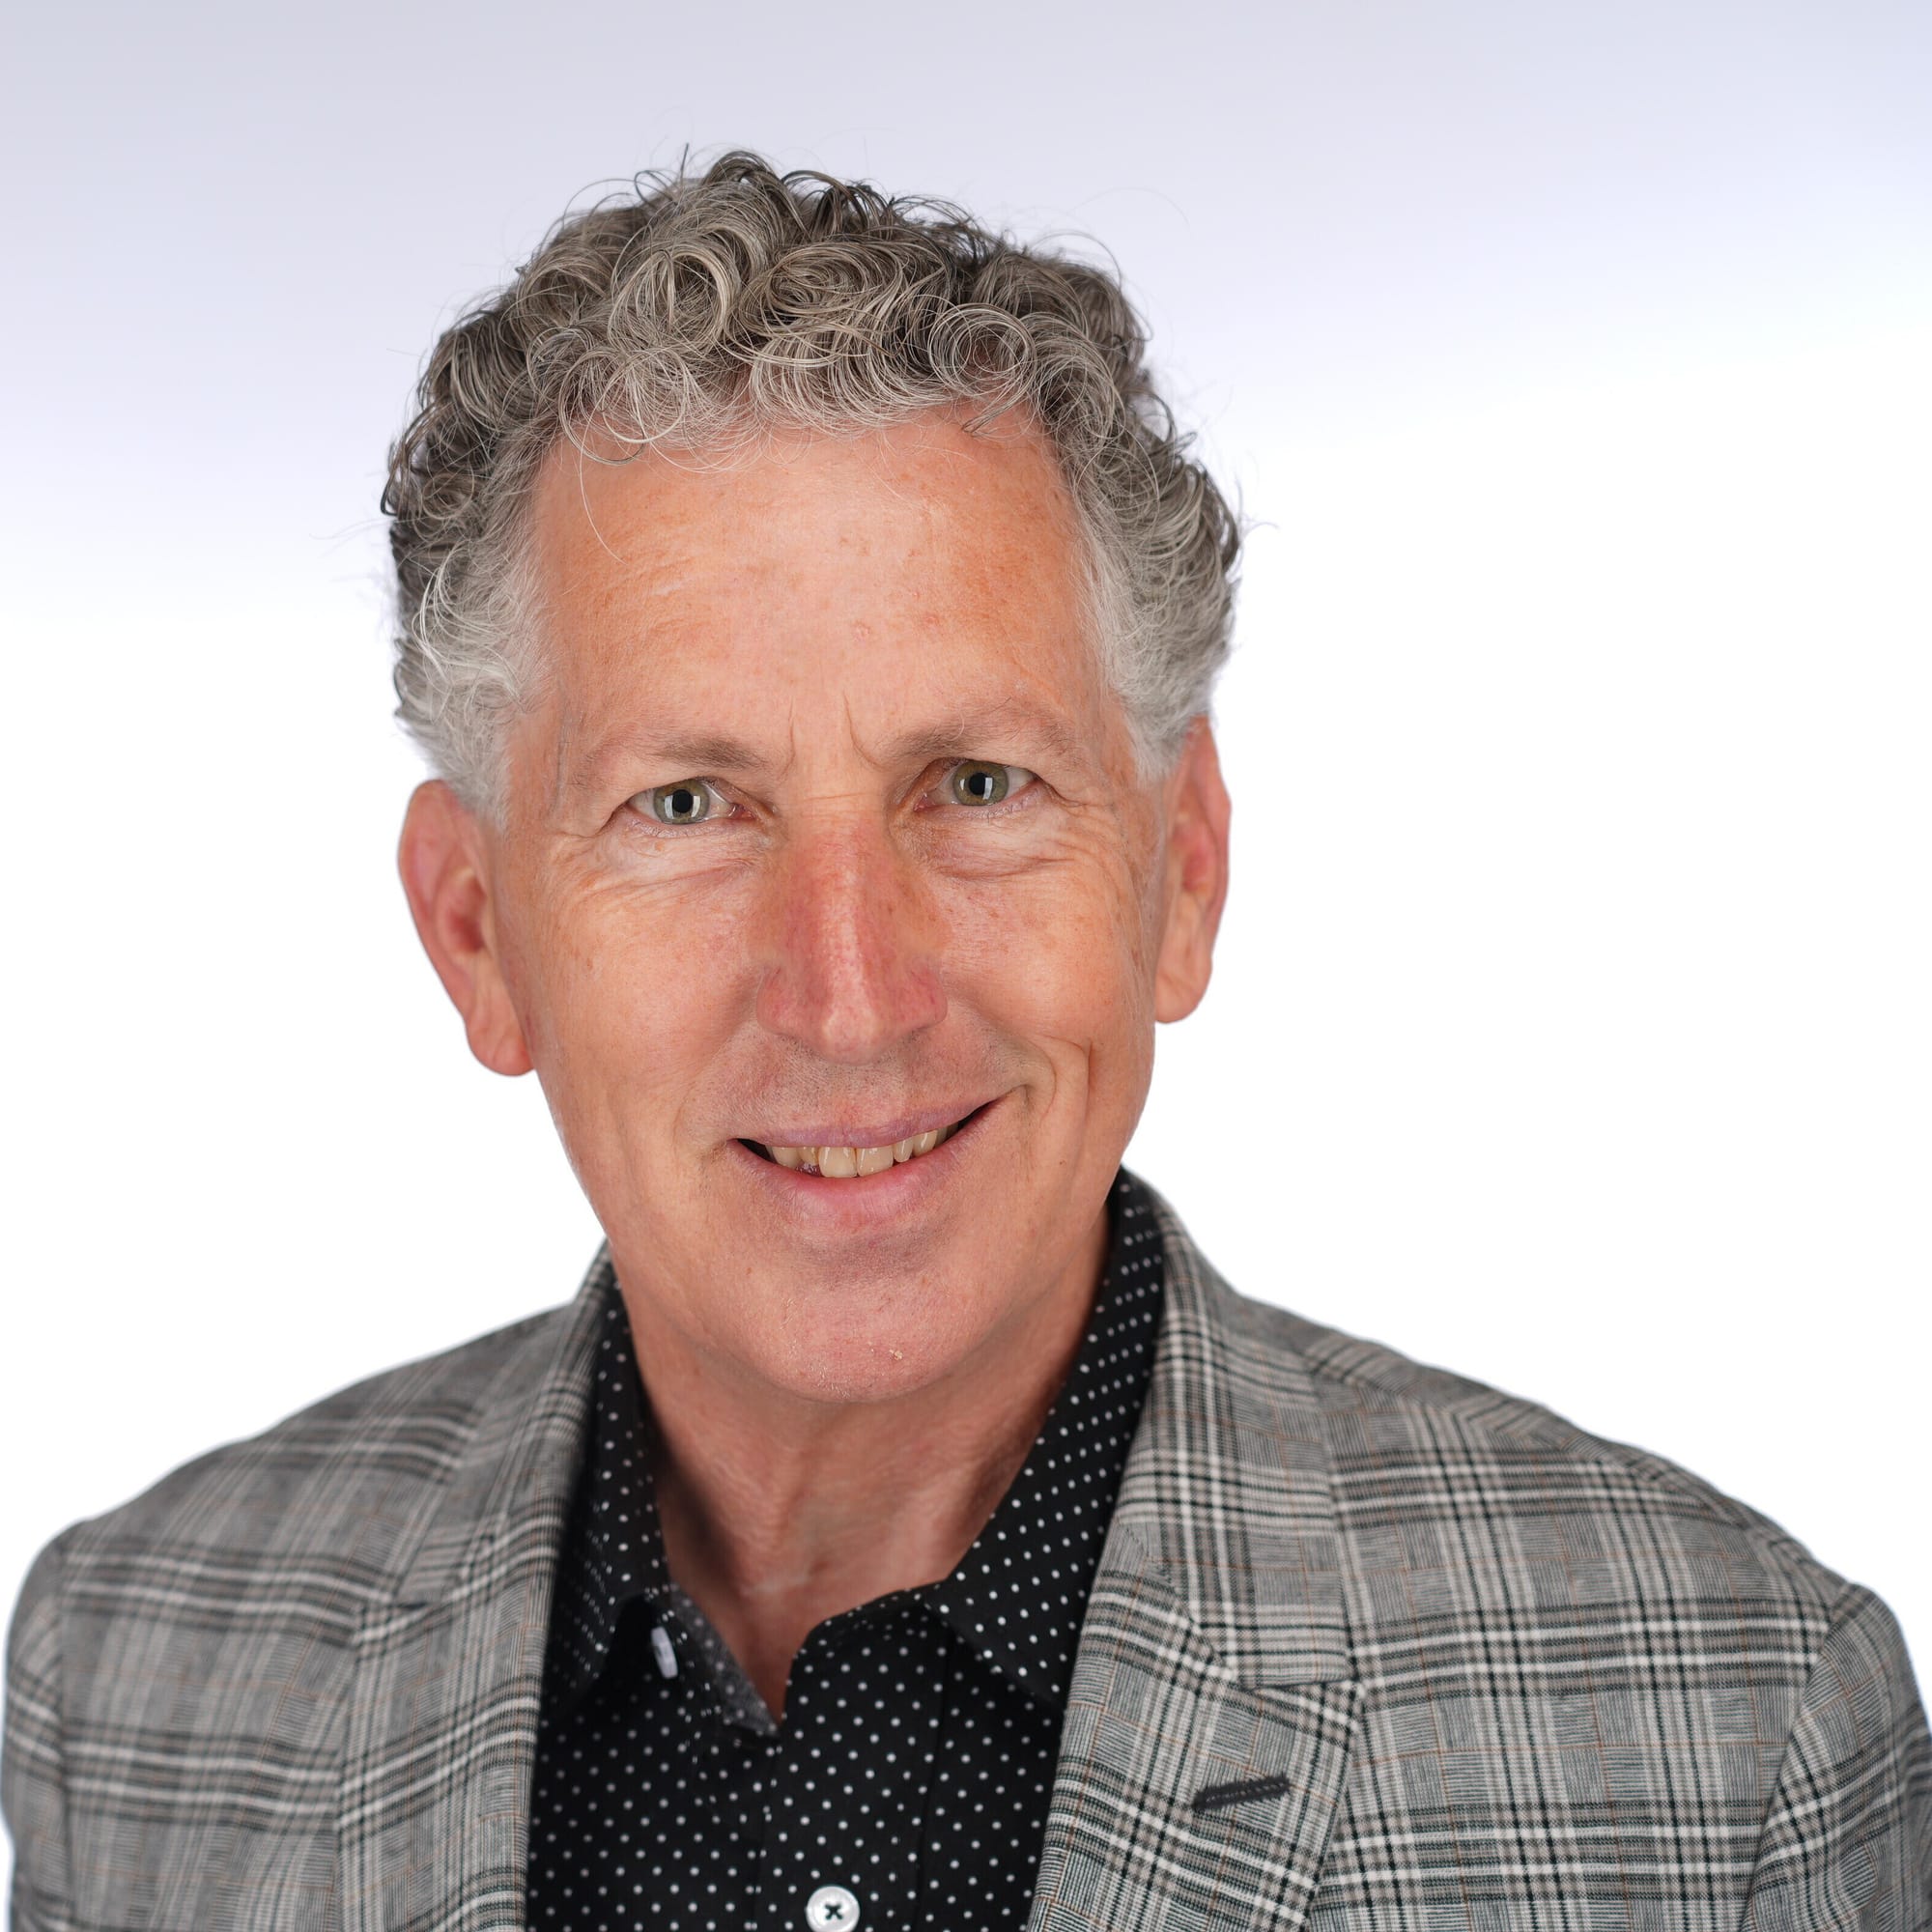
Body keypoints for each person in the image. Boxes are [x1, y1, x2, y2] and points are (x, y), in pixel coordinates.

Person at [5, 150, 1926, 1932]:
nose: (850, 994)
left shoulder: (1735, 1736)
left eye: (980, 783)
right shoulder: (130, 1684)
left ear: (1180, 874)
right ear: (477, 931)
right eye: (687, 805)